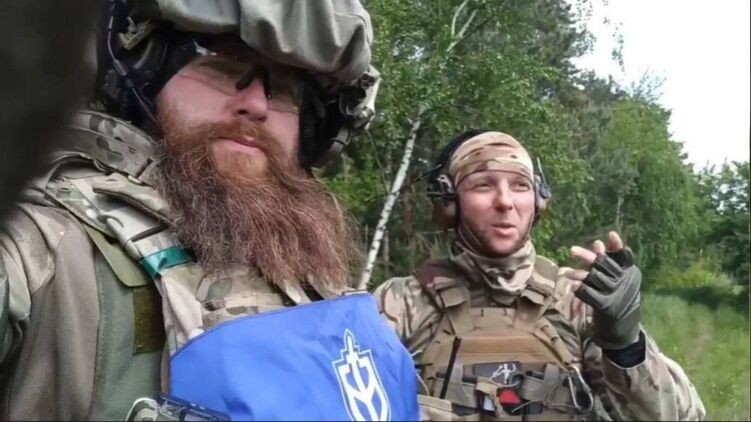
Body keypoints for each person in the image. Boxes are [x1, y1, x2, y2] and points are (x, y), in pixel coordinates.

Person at [0, 1, 419, 420]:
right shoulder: (44, 245)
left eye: (284, 89)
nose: (256, 104)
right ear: (143, 75)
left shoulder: (301, 267)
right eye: (222, 67)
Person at [375, 130, 706, 420]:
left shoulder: (578, 299)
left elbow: (678, 416)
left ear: (538, 200)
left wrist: (625, 345)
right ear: (448, 202)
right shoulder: (401, 303)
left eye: (520, 185)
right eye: (483, 185)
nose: (505, 202)